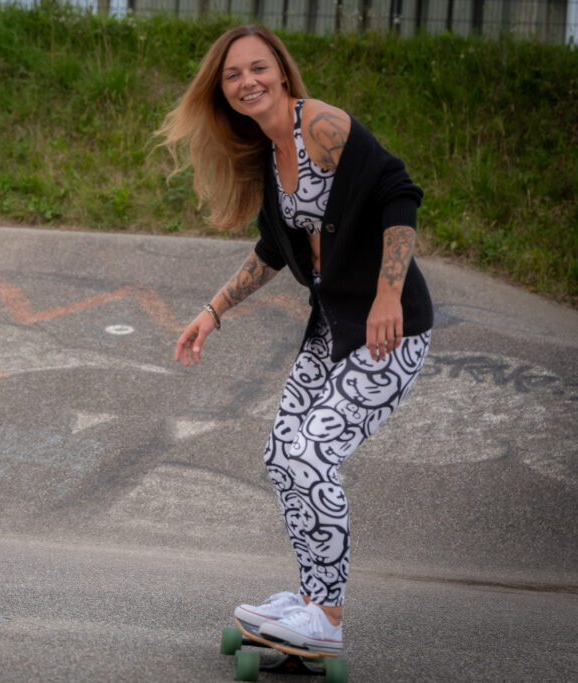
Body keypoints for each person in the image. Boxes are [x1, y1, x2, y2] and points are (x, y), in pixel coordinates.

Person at [158, 25, 433, 654]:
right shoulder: (266, 154)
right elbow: (273, 250)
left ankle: (328, 619)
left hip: (389, 330)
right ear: (223, 92)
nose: (247, 82)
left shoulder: (322, 128)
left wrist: (389, 294)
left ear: (281, 72)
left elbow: (399, 192)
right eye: (232, 76)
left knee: (313, 456)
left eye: (258, 68)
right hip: (332, 330)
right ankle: (309, 599)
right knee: (285, 456)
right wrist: (213, 310)